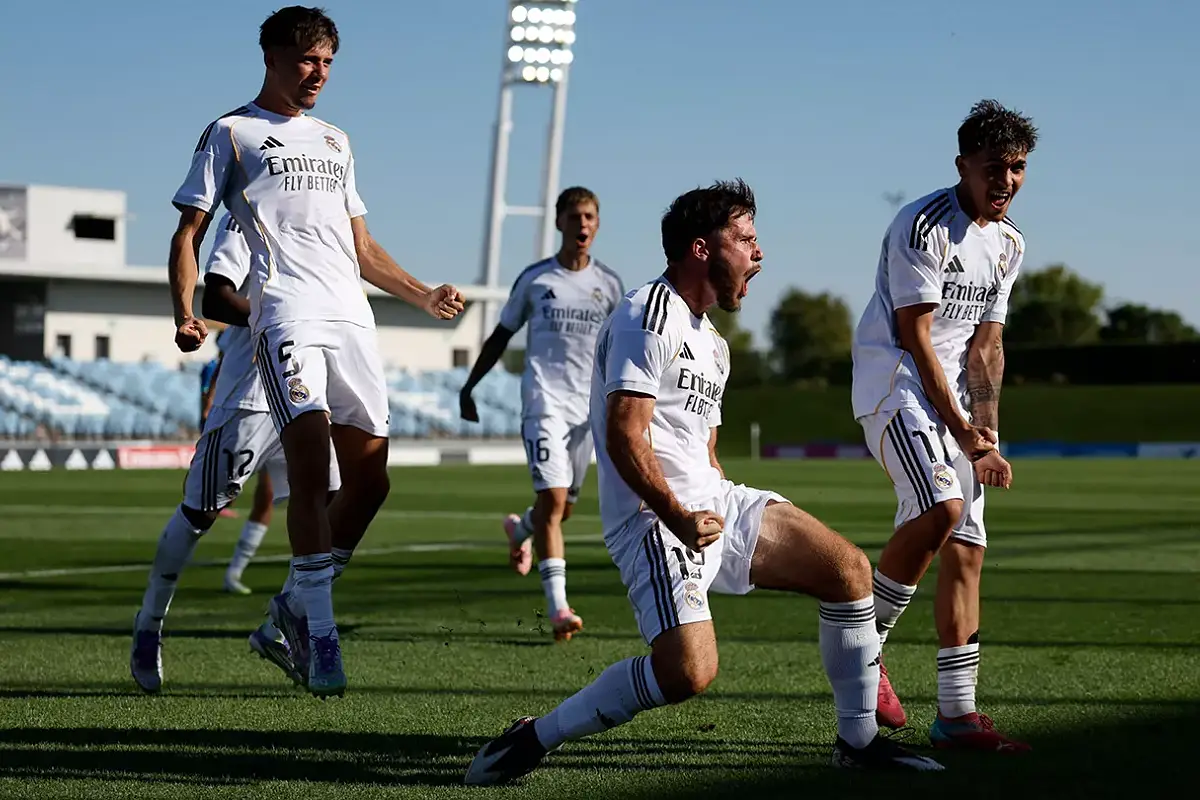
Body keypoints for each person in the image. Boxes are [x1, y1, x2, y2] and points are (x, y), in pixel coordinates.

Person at [465, 180, 943, 785]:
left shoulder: (714, 343)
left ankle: (858, 742)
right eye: (745, 239)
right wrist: (677, 516)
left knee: (848, 571)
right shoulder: (647, 313)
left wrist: (719, 507)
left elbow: (705, 450)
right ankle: (535, 736)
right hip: (653, 521)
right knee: (688, 673)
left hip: (711, 506)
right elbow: (625, 435)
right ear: (700, 249)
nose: (758, 253)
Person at [166, 6, 465, 698]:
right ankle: (322, 638)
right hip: (286, 316)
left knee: (371, 483)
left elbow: (362, 247)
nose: (319, 73)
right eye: (307, 59)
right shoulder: (231, 132)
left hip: (351, 319)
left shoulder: (336, 140)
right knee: (307, 466)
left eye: (328, 62)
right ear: (271, 56)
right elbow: (188, 234)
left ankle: (289, 612)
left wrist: (422, 295)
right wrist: (184, 312)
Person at [850, 99, 1037, 752]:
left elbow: (986, 348)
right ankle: (862, 651)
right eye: (994, 167)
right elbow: (917, 338)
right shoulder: (922, 224)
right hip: (896, 388)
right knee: (940, 507)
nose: (1006, 181)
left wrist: (986, 439)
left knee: (967, 547)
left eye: (1017, 168)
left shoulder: (1009, 244)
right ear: (962, 165)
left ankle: (956, 715)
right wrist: (960, 430)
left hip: (954, 406)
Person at [132, 212, 340, 693]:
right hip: (250, 397)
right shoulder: (244, 215)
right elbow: (219, 297)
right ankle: (149, 623)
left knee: (330, 505)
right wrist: (282, 318)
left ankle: (283, 626)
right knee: (199, 514)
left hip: (304, 393)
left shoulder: (322, 217)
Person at [459, 187, 624, 640]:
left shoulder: (610, 286)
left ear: (597, 224)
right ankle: (559, 609)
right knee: (552, 500)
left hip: (587, 412)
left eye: (589, 216)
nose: (582, 224)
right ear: (558, 222)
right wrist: (470, 386)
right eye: (574, 216)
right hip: (543, 401)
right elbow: (501, 335)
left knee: (561, 510)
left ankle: (520, 531)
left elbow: (623, 347)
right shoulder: (536, 279)